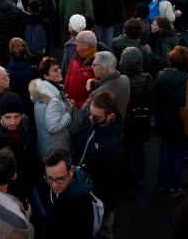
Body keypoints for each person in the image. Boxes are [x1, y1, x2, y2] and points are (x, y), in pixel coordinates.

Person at [0, 93, 42, 224]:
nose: (13, 122)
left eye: (17, 116)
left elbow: (31, 149)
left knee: (41, 218)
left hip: (29, 187)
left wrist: (34, 175)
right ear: (1, 115)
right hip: (9, 195)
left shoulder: (26, 123)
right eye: (8, 117)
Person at [74, 90, 123, 239]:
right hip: (83, 188)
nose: (91, 117)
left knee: (103, 231)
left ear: (110, 116)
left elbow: (111, 182)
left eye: (96, 116)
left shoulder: (113, 145)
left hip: (98, 198)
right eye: (90, 112)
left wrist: (105, 208)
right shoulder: (89, 120)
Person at [154, 45, 188, 197]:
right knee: (180, 155)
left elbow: (158, 98)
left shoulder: (161, 76)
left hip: (166, 121)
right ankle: (174, 186)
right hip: (183, 125)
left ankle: (161, 182)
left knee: (165, 151)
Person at [29, 57, 79, 161]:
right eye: (54, 70)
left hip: (47, 146)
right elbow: (53, 127)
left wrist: (65, 104)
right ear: (46, 76)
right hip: (56, 150)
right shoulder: (53, 99)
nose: (59, 71)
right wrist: (69, 113)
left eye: (58, 68)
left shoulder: (42, 88)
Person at [120, 46, 155, 194]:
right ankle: (140, 178)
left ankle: (129, 185)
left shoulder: (122, 81)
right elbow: (152, 103)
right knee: (139, 150)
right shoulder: (148, 78)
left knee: (127, 154)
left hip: (127, 124)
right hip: (142, 122)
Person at [43, 147, 97, 239]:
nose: (54, 186)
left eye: (60, 179)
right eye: (50, 178)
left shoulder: (78, 210)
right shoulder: (79, 178)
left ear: (71, 171)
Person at [82, 51, 130, 117]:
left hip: (106, 125)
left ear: (104, 70)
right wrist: (96, 84)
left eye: (94, 64)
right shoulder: (125, 79)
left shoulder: (98, 94)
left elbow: (83, 111)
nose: (92, 66)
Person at [64, 31, 103, 108]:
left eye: (78, 41)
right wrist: (66, 95)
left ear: (86, 45)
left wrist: (79, 106)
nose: (75, 43)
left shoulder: (99, 64)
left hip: (83, 108)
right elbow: (69, 72)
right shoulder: (78, 53)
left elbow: (96, 92)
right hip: (70, 102)